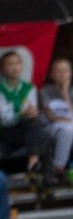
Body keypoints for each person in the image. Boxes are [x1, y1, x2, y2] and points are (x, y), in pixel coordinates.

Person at [39, 58, 73, 183]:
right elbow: (51, 116)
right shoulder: (45, 91)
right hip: (51, 126)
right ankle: (58, 168)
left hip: (71, 123)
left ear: (70, 73)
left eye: (65, 71)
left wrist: (65, 94)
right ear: (52, 75)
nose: (62, 74)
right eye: (58, 71)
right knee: (68, 130)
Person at [0, 50, 51, 184]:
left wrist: (31, 113)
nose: (15, 67)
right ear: (3, 69)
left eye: (17, 63)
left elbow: (31, 112)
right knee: (37, 130)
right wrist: (21, 114)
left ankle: (45, 177)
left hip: (26, 131)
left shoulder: (29, 88)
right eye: (10, 64)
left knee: (44, 134)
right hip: (5, 132)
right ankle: (36, 168)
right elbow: (5, 120)